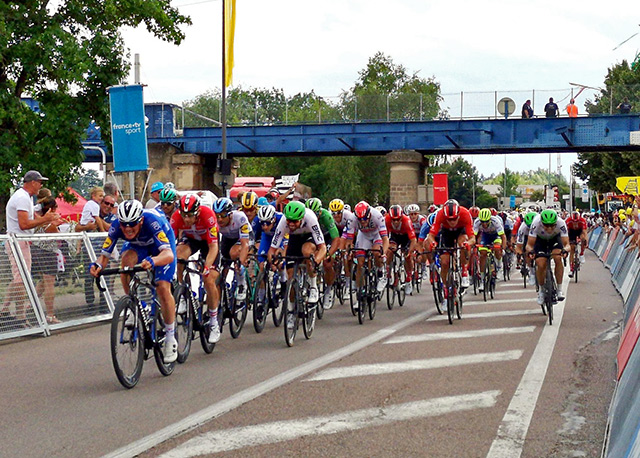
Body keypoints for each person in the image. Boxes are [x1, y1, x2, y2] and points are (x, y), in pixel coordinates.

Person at [90, 200, 179, 363]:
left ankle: (170, 337)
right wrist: (97, 265)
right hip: (139, 246)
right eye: (124, 225)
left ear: (141, 220)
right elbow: (104, 257)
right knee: (125, 265)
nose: (128, 228)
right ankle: (135, 305)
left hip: (162, 247)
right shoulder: (116, 226)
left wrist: (153, 261)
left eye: (132, 224)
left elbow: (169, 255)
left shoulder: (153, 221)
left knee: (162, 288)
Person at [2, 170, 61, 327]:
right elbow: (24, 224)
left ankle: (5, 309)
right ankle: (20, 316)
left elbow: (34, 221)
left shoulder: (26, 198)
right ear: (33, 182)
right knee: (21, 279)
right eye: (40, 182)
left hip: (21, 241)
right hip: (17, 241)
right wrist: (47, 219)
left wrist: (49, 221)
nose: (41, 185)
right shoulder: (22, 198)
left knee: (19, 277)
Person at [171, 194, 222, 344]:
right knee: (179, 256)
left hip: (208, 243)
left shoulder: (208, 215)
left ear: (198, 212)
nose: (186, 219)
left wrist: (207, 267)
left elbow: (214, 247)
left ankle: (214, 322)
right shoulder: (176, 217)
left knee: (209, 279)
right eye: (184, 215)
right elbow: (168, 243)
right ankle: (182, 292)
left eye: (190, 215)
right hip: (191, 240)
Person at [268, 201, 326, 307]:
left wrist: (317, 260)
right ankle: (291, 309)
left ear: (302, 218)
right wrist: (273, 260)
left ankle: (313, 286)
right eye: (289, 221)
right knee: (290, 276)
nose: (291, 224)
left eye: (294, 221)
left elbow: (322, 247)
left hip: (309, 236)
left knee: (307, 252)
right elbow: (272, 249)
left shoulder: (310, 218)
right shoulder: (283, 222)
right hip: (294, 238)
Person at [425, 199, 475, 292]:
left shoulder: (465, 213)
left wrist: (468, 243)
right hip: (446, 232)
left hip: (460, 231)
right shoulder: (440, 214)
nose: (452, 222)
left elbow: (472, 238)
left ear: (458, 215)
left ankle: (464, 271)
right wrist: (433, 243)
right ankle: (445, 287)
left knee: (464, 242)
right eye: (449, 219)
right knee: (444, 262)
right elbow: (431, 236)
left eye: (454, 219)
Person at [31, 196, 65, 324]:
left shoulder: (38, 219)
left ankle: (31, 305)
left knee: (43, 281)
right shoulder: (48, 223)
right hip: (48, 252)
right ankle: (50, 314)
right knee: (50, 283)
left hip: (36, 250)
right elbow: (57, 235)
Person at [525, 209, 569, 305]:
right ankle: (541, 291)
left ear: (556, 222)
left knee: (558, 257)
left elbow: (567, 244)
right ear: (541, 222)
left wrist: (565, 250)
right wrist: (531, 251)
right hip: (541, 240)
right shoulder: (535, 223)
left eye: (552, 225)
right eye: (546, 225)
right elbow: (529, 245)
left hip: (555, 239)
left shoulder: (561, 223)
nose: (549, 228)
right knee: (540, 264)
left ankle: (559, 290)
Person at [474, 208, 506, 292]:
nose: (484, 224)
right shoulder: (477, 222)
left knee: (497, 249)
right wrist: (474, 246)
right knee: (482, 254)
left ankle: (499, 267)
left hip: (496, 235)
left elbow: (503, 236)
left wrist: (502, 247)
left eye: (486, 221)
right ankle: (482, 279)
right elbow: (474, 236)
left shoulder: (495, 221)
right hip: (485, 236)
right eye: (482, 222)